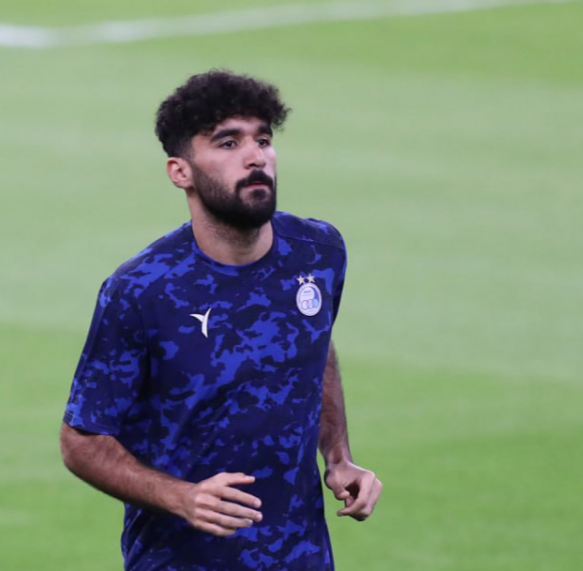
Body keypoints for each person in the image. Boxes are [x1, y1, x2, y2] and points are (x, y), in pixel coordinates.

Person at [60, 70, 382, 571]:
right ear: (180, 172)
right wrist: (181, 497)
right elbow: (81, 441)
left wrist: (337, 457)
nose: (256, 157)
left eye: (263, 140)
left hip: (302, 558)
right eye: (228, 143)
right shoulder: (142, 290)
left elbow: (315, 347)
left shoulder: (318, 252)